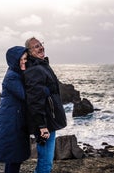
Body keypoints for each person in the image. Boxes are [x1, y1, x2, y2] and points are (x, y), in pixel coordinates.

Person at [24, 37, 67, 173]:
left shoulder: (42, 65)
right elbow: (35, 100)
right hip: (45, 122)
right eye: (36, 47)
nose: (41, 48)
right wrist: (42, 126)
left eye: (40, 44)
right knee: (46, 161)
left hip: (48, 119)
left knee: (45, 159)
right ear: (29, 52)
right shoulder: (35, 69)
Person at [0, 46, 30, 173]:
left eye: (26, 59)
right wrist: (45, 90)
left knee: (14, 158)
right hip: (11, 123)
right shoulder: (12, 77)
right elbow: (25, 95)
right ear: (14, 60)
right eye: (22, 59)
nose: (25, 61)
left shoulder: (16, 73)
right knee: (13, 158)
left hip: (14, 120)